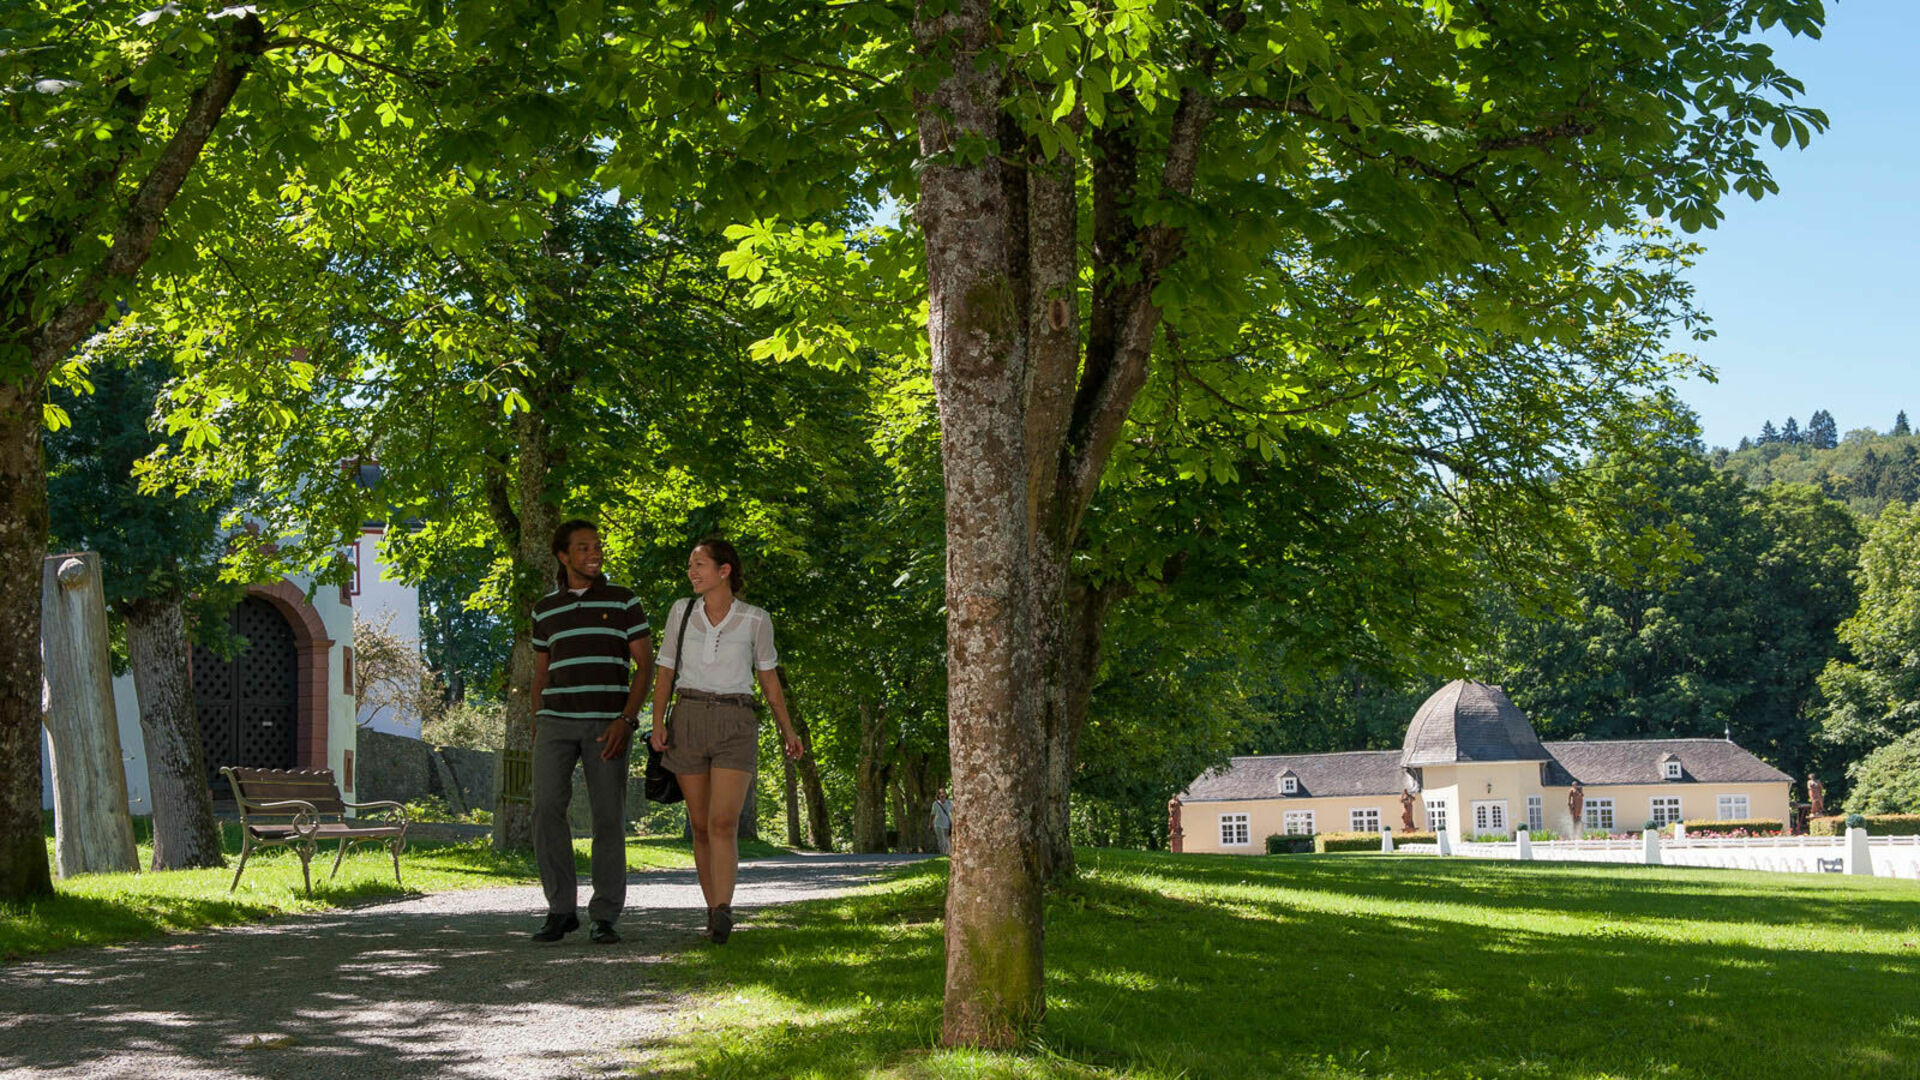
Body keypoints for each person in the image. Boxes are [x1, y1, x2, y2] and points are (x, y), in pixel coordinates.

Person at [650, 538, 804, 944]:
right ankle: (711, 907)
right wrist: (657, 723)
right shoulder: (681, 612)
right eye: (689, 565)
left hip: (737, 720)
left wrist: (788, 729)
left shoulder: (756, 620)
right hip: (689, 716)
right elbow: (664, 670)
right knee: (700, 825)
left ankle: (723, 910)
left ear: (725, 570)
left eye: (699, 564)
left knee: (723, 822)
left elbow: (768, 678)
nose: (692, 572)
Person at [528, 520, 654, 945]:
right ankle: (560, 910)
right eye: (584, 548)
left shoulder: (623, 601)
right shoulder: (545, 610)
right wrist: (536, 723)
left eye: (597, 546)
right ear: (564, 556)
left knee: (607, 818)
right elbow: (540, 674)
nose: (594, 553)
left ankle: (604, 915)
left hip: (608, 724)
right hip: (555, 723)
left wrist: (627, 719)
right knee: (545, 809)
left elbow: (645, 667)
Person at [929, 788, 953, 855]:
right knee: (941, 840)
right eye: (940, 793)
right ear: (938, 795)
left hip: (947, 824)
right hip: (938, 824)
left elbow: (954, 812)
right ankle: (942, 853)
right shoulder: (935, 804)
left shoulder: (949, 803)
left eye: (943, 793)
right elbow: (932, 815)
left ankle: (948, 854)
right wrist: (930, 824)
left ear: (946, 794)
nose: (942, 795)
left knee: (947, 840)